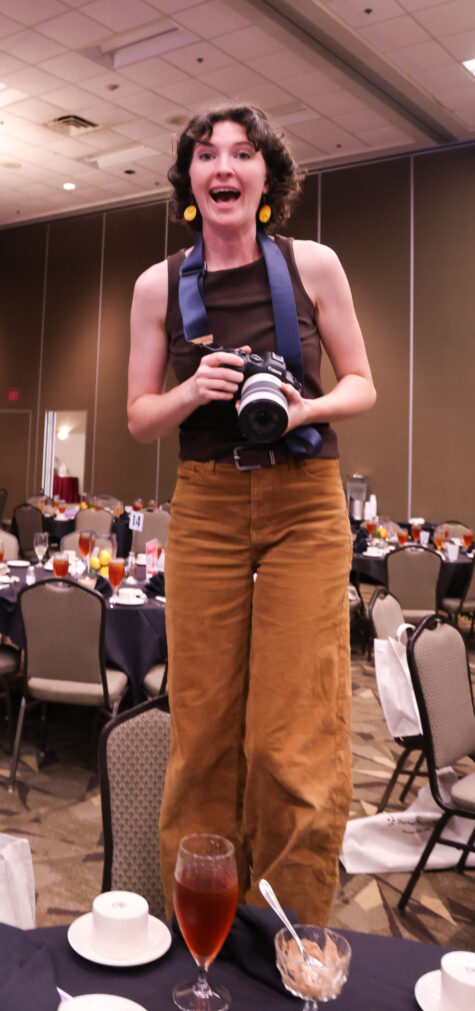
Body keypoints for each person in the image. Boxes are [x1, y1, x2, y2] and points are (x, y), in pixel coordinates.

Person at [127, 105, 375, 925]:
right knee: (200, 728)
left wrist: (302, 409)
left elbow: (360, 385)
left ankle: (291, 933)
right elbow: (137, 416)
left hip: (305, 498)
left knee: (290, 733)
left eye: (242, 152)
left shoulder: (313, 265)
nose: (223, 166)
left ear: (267, 176)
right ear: (190, 180)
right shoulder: (159, 284)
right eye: (206, 154)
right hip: (204, 500)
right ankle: (199, 926)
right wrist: (189, 391)